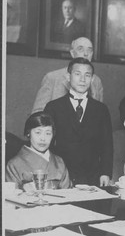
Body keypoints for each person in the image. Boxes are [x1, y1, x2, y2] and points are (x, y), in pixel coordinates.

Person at [44, 58, 113, 187]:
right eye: (77, 74)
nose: (82, 79)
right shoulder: (53, 107)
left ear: (92, 79)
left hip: (93, 178)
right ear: (68, 77)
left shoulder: (101, 109)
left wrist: (106, 173)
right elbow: (48, 145)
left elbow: (107, 145)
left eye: (87, 75)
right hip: (62, 176)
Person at [32, 37, 104, 113]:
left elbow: (100, 114)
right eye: (80, 49)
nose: (86, 54)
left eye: (89, 50)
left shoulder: (97, 81)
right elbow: (37, 113)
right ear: (72, 53)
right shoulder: (52, 78)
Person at [6, 112, 71, 190]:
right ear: (28, 133)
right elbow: (12, 198)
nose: (43, 138)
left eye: (48, 133)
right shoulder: (14, 164)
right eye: (38, 132)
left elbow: (68, 194)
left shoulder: (59, 162)